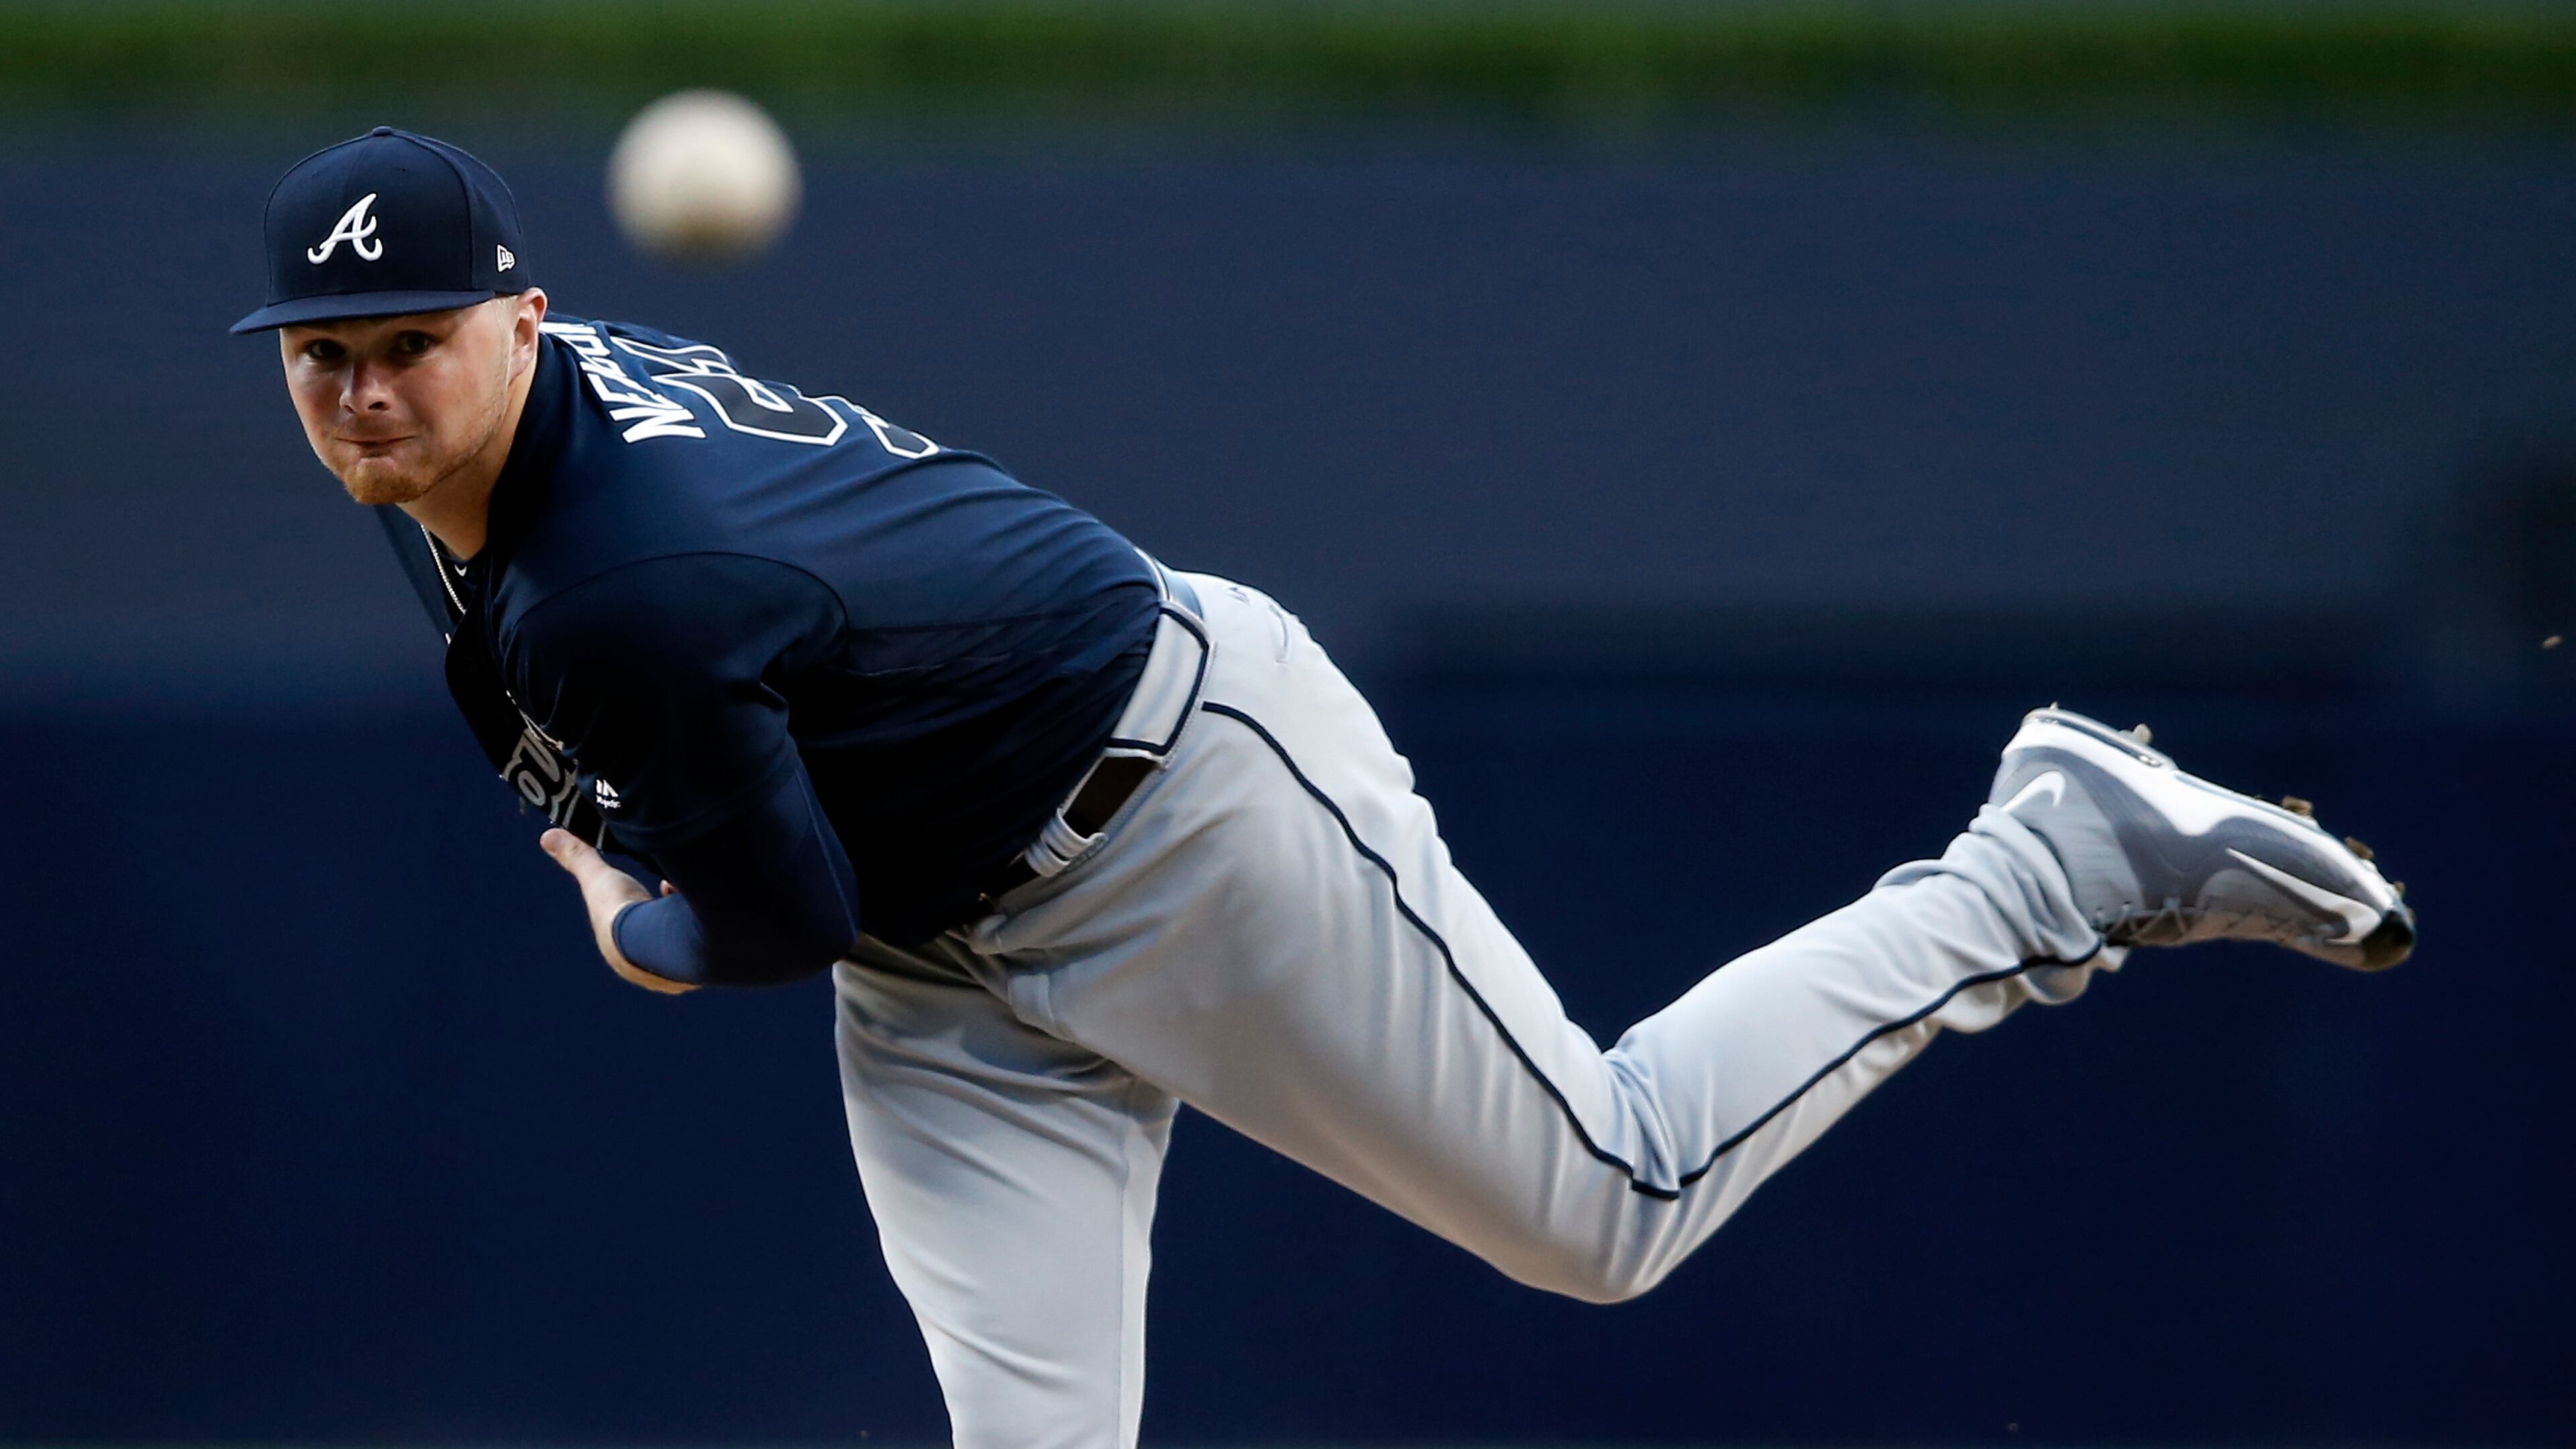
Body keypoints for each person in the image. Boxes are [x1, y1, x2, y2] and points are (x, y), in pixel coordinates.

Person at [237, 128, 2416, 1448]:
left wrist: (634, 927)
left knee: (1609, 1208)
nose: (361, 395)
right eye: (323, 362)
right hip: (947, 948)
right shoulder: (472, 466)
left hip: (1174, 807)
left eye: (410, 341)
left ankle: (2045, 862)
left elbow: (769, 909)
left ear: (523, 315)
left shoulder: (622, 573)